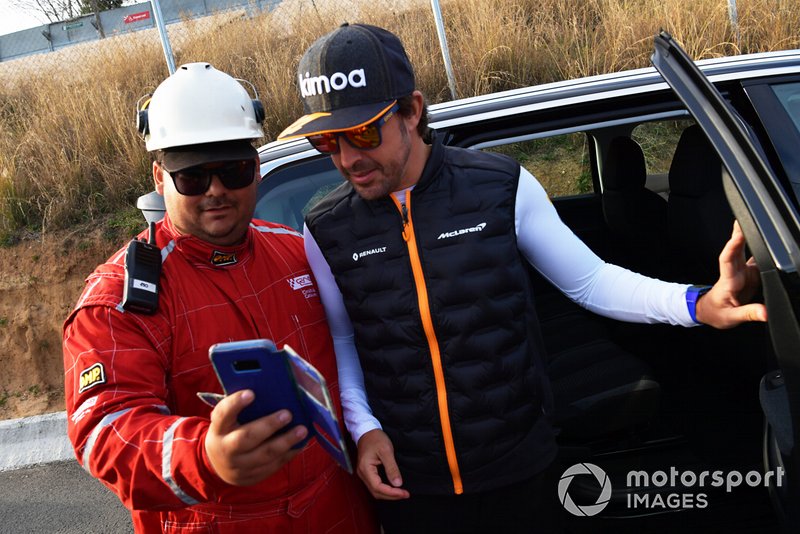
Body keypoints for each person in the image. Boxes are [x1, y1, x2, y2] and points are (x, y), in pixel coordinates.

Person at [277, 23, 768, 533]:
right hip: (411, 484)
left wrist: (698, 304)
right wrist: (363, 429)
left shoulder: (500, 187)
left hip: (521, 467)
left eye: (363, 132)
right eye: (326, 141)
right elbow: (344, 339)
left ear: (413, 110)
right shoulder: (326, 229)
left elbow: (591, 281)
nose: (347, 159)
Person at [62, 62, 378, 533]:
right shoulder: (120, 301)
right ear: (158, 177)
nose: (216, 191)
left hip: (339, 511)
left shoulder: (297, 251)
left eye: (233, 170)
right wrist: (205, 456)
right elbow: (103, 429)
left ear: (255, 168)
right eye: (192, 176)